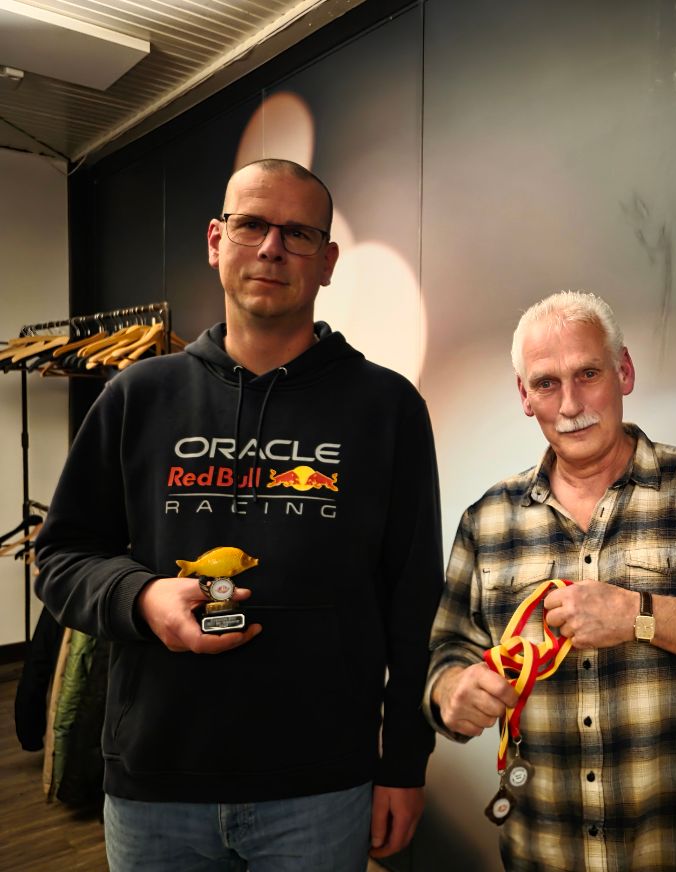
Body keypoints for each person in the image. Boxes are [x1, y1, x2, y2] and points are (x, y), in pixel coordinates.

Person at [35, 158, 444, 870]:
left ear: (327, 262)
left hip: (322, 787)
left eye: (298, 233)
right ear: (215, 240)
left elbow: (414, 605)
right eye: (251, 224)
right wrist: (142, 598)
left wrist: (405, 764)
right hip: (156, 784)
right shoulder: (137, 395)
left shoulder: (387, 408)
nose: (271, 248)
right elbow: (62, 557)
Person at [424, 291, 676, 871]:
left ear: (624, 371)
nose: (570, 405)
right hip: (543, 854)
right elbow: (447, 649)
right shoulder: (487, 520)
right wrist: (450, 692)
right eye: (546, 383)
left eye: (588, 374)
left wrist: (640, 616)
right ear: (524, 396)